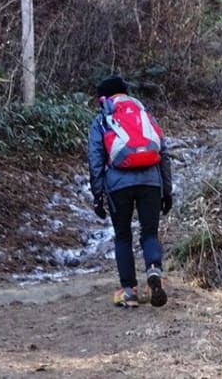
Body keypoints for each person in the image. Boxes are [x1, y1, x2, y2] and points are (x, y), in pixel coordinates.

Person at [87, 75, 173, 308]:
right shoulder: (144, 114)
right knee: (150, 232)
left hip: (118, 185)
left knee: (123, 235)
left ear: (103, 97)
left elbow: (96, 160)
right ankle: (154, 271)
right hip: (151, 181)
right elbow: (162, 153)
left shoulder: (103, 118)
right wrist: (167, 190)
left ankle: (129, 291)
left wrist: (98, 195)